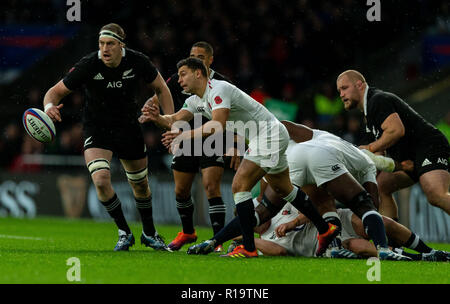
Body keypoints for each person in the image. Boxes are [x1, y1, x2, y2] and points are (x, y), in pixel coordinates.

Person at [140, 57, 338, 258]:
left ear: (198, 73)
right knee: (284, 188)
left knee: (239, 185)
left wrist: (184, 135)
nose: (179, 80)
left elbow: (217, 124)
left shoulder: (219, 89)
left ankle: (249, 248)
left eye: (183, 74)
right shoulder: (194, 101)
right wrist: (157, 118)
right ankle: (325, 229)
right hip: (267, 137)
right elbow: (173, 120)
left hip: (268, 134)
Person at [187, 121, 411, 260]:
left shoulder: (277, 201)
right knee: (358, 227)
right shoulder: (269, 235)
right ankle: (393, 250)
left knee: (361, 215)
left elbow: (281, 126)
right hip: (327, 218)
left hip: (310, 181)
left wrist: (295, 222)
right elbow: (278, 250)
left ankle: (404, 248)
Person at [43, 23, 174, 251]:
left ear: (121, 45)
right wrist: (48, 107)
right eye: (101, 43)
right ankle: (124, 232)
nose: (105, 48)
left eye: (110, 44)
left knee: (141, 186)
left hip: (128, 129)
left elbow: (162, 88)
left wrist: (171, 122)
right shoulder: (89, 64)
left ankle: (149, 233)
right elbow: (53, 92)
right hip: (97, 129)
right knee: (101, 181)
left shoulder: (137, 61)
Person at [139, 42, 236, 252]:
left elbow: (232, 117)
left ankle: (216, 240)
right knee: (181, 190)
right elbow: (160, 95)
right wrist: (151, 109)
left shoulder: (222, 83)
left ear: (210, 60)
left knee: (211, 187)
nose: (196, 59)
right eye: (192, 55)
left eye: (201, 56)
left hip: (213, 138)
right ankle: (188, 232)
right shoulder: (179, 80)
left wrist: (234, 144)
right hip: (185, 138)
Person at [336, 70, 450, 218]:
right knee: (382, 186)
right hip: (409, 158)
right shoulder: (368, 115)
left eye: (344, 88)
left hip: (429, 147)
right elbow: (378, 154)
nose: (341, 94)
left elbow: (396, 130)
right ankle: (392, 240)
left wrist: (369, 148)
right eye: (339, 91)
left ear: (359, 85)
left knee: (435, 194)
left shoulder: (377, 100)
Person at [233, 202, 449, 261]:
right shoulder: (262, 242)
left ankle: (428, 251)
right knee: (357, 246)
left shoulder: (281, 209)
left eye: (253, 213)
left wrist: (294, 221)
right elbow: (279, 252)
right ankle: (419, 257)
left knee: (378, 221)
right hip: (330, 244)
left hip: (339, 221)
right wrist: (243, 237)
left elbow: (316, 208)